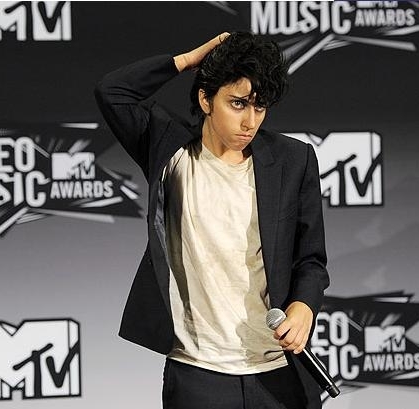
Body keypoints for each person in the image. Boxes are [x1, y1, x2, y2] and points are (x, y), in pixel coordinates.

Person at [94, 32, 329, 409]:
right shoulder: (169, 148)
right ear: (206, 99)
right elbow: (112, 92)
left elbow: (311, 260)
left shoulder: (293, 159)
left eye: (260, 107)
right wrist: (185, 61)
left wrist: (304, 306)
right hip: (198, 374)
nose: (250, 121)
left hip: (279, 371)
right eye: (237, 104)